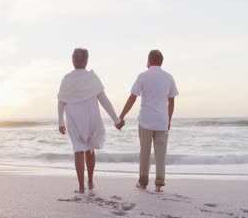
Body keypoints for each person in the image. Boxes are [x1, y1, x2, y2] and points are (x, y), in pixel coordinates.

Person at [57, 48, 124, 194]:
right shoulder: (92, 78)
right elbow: (104, 100)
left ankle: (81, 187)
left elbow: (61, 102)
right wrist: (116, 119)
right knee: (90, 148)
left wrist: (60, 121)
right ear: (86, 61)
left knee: (78, 150)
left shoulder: (66, 79)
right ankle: (91, 181)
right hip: (91, 117)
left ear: (73, 60)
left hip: (74, 118)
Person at [118, 50, 178, 192]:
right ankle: (159, 184)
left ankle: (143, 182)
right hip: (162, 121)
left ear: (149, 61)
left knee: (145, 152)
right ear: (161, 62)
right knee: (161, 153)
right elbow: (171, 102)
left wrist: (121, 116)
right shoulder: (168, 77)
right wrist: (168, 120)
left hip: (146, 120)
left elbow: (132, 98)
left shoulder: (143, 76)